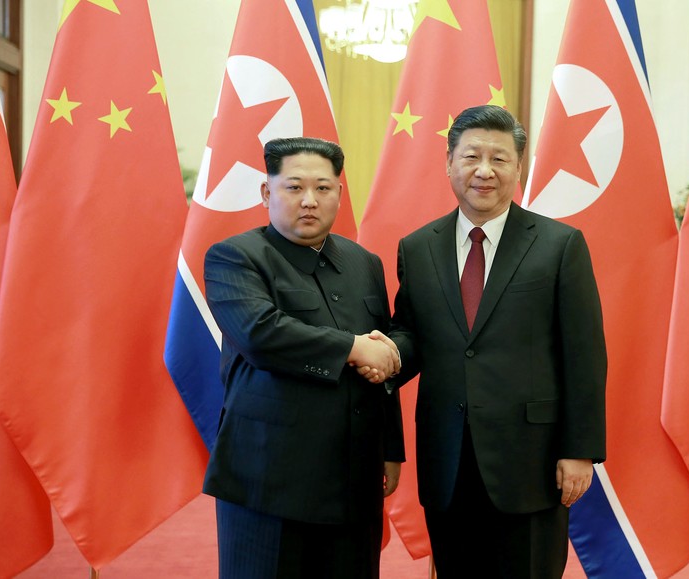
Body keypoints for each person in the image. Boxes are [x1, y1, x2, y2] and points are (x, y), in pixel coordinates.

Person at [381, 105, 607, 578]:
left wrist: (580, 449)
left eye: (499, 159)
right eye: (471, 157)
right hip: (447, 455)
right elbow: (413, 334)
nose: (484, 170)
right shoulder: (418, 247)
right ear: (449, 163)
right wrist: (377, 354)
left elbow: (583, 354)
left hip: (532, 459)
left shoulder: (559, 244)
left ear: (518, 167)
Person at [202, 137, 404, 579]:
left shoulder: (364, 262)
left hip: (352, 478)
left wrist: (390, 447)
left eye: (323, 188)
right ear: (266, 193)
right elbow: (260, 334)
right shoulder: (235, 257)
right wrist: (352, 349)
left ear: (339, 193)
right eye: (294, 188)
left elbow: (381, 353)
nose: (309, 201)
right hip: (267, 480)